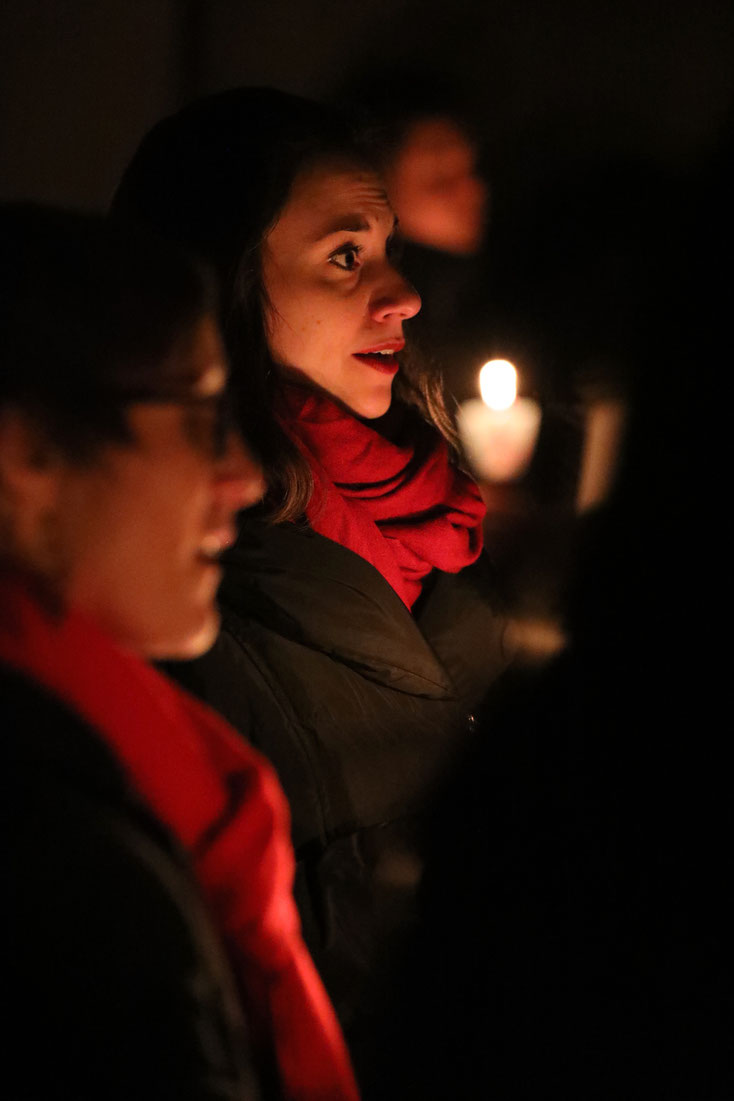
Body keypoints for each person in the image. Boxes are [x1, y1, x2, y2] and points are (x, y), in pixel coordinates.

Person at [112, 87, 509, 1070]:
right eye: (344, 255)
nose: (401, 295)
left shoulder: (428, 532)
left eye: (386, 250)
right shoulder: (192, 599)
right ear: (228, 281)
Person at [3, 205, 359, 1101]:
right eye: (202, 419)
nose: (242, 476)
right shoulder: (58, 876)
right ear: (30, 454)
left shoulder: (131, 777)